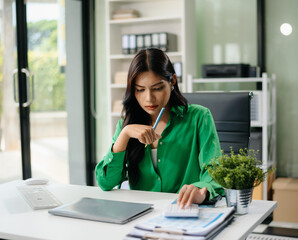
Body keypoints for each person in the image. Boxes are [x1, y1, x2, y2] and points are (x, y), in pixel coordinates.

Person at [95, 48, 224, 208]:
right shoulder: (126, 125)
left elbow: (215, 173)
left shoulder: (199, 117)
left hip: (185, 212)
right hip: (142, 214)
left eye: (157, 88)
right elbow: (105, 182)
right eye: (140, 90)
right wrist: (125, 134)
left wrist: (200, 190)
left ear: (172, 81)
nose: (149, 98)